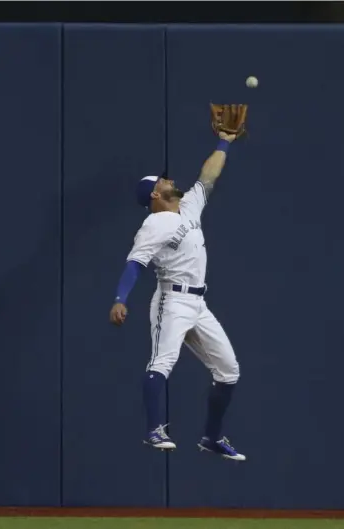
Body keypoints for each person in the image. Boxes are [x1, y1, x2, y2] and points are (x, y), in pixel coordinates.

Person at [109, 132, 245, 462]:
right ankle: (154, 430)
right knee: (162, 362)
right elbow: (135, 263)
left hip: (199, 304)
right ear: (156, 193)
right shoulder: (155, 223)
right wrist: (120, 297)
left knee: (229, 370)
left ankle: (211, 438)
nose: (170, 179)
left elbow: (209, 174)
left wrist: (224, 142)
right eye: (164, 180)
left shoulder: (188, 206)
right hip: (172, 301)